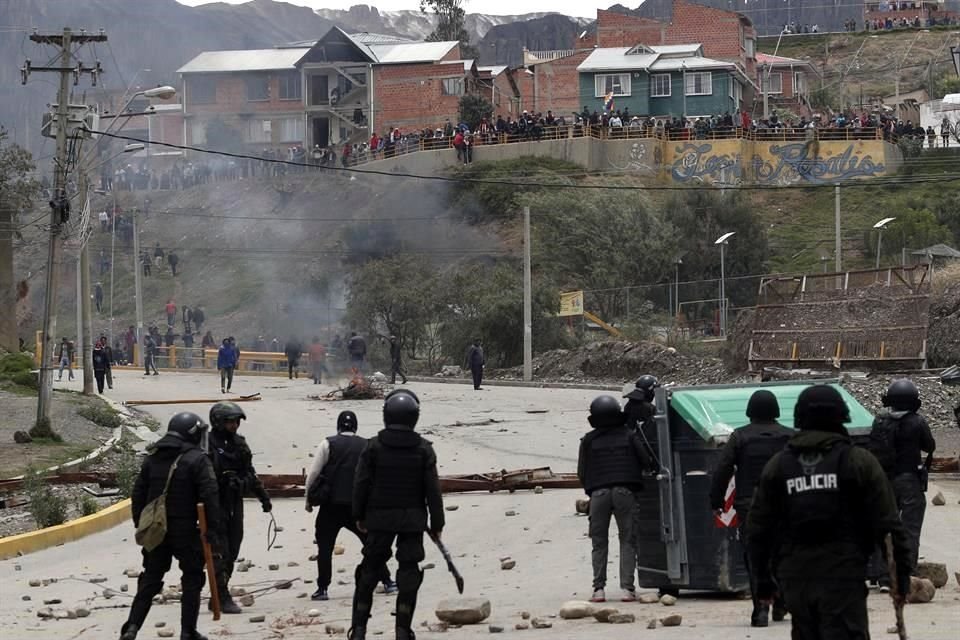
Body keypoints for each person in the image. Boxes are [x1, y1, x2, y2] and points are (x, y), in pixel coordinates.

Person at [746, 385, 913, 640]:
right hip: (844, 578)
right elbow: (890, 526)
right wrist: (901, 581)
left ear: (799, 418)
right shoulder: (860, 462)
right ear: (842, 417)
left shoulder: (779, 466)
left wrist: (763, 584)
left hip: (796, 580)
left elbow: (757, 531)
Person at [350, 390, 445, 640]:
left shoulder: (373, 447)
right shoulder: (424, 450)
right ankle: (402, 630)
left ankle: (358, 629)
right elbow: (433, 490)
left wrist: (358, 515)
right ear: (414, 417)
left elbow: (360, 484)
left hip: (379, 519)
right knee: (409, 574)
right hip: (412, 521)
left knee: (368, 572)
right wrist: (437, 523)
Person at [120, 412, 221, 640]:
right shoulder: (197, 459)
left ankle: (132, 628)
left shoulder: (153, 458)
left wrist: (142, 525)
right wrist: (213, 531)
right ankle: (188, 631)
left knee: (151, 578)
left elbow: (138, 495)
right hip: (186, 530)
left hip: (157, 529)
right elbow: (210, 495)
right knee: (193, 578)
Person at [708, 390, 792, 626]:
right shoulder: (790, 436)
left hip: (750, 506)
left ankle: (761, 610)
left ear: (750, 411)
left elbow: (723, 469)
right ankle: (782, 602)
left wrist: (716, 502)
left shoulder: (740, 437)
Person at [305, 411, 396, 601]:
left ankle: (322, 589)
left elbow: (313, 474)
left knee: (325, 547)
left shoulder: (328, 443)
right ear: (355, 427)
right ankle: (388, 582)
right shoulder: (367, 445)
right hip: (358, 508)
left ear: (338, 427)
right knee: (371, 544)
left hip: (331, 506)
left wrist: (308, 500)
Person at [577, 395, 652, 603]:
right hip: (625, 492)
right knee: (627, 540)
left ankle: (598, 590)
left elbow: (582, 472)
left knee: (599, 543)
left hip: (598, 494)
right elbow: (646, 461)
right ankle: (627, 589)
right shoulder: (629, 435)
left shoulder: (589, 440)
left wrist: (591, 491)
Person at [867, 379, 936, 589]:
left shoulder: (879, 420)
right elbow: (929, 446)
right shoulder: (917, 422)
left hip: (884, 480)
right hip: (908, 481)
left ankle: (880, 575)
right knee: (909, 529)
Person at [206, 402, 272, 614]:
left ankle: (218, 591)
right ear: (218, 422)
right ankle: (222, 596)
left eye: (236, 422)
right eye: (230, 422)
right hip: (214, 504)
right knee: (219, 550)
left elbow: (250, 472)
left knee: (233, 548)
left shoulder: (239, 444)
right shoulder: (206, 444)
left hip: (235, 501)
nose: (234, 425)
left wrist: (263, 497)